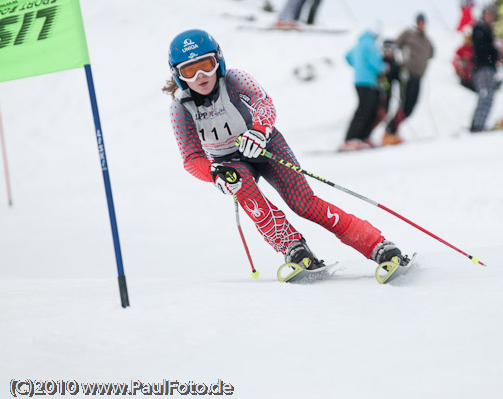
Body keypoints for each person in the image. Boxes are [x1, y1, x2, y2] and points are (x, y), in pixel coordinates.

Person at [162, 29, 411, 274]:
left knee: (305, 204)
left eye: (206, 64)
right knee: (243, 188)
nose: (201, 76)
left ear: (219, 60)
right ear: (178, 75)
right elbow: (191, 158)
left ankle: (376, 245)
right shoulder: (180, 109)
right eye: (190, 70)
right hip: (227, 163)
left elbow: (264, 103)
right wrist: (214, 173)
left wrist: (259, 131)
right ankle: (294, 248)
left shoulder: (235, 79)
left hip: (265, 146)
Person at [382, 13, 434, 146]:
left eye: (423, 22)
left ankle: (393, 131)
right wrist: (398, 63)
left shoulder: (426, 39)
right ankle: (390, 131)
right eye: (419, 21)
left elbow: (432, 53)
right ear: (416, 22)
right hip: (407, 73)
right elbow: (395, 45)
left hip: (418, 76)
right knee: (405, 103)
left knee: (411, 106)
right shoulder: (409, 34)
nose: (421, 24)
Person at [340, 25, 385, 151]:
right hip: (368, 81)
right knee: (365, 109)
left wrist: (359, 67)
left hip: (359, 80)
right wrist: (383, 68)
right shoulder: (370, 45)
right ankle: (352, 138)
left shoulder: (359, 43)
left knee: (366, 108)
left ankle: (360, 138)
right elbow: (376, 63)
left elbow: (347, 56)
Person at [470, 5, 499, 133]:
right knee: (485, 95)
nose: (490, 16)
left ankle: (480, 123)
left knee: (490, 96)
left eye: (491, 14)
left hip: (490, 68)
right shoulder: (479, 28)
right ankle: (477, 124)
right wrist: (494, 50)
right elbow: (480, 48)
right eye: (488, 13)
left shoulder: (489, 29)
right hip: (482, 67)